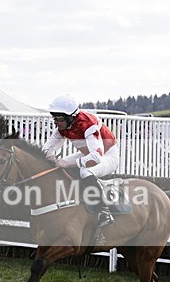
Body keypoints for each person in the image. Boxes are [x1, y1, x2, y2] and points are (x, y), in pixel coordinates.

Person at [42, 94, 118, 227]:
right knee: (58, 165)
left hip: (107, 156)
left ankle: (104, 211)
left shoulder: (88, 124)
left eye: (59, 118)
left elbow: (96, 157)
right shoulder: (64, 126)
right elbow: (46, 149)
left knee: (85, 172)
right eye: (54, 117)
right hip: (88, 154)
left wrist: (65, 163)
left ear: (70, 117)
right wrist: (49, 157)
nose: (55, 122)